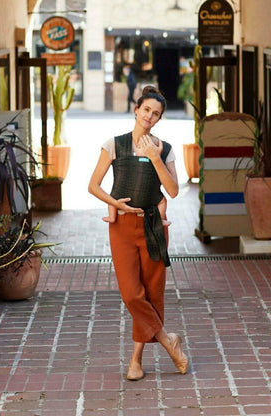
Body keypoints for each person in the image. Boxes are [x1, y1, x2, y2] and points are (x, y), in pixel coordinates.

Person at [88, 86, 189, 381]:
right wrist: (114, 203)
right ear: (136, 110)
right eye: (146, 110)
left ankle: (135, 361)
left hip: (153, 228)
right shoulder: (114, 145)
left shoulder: (165, 149)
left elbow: (172, 190)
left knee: (152, 294)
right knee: (132, 294)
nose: (150, 116)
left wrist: (154, 157)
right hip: (121, 227)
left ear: (159, 119)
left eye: (156, 114)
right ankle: (170, 342)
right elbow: (93, 185)